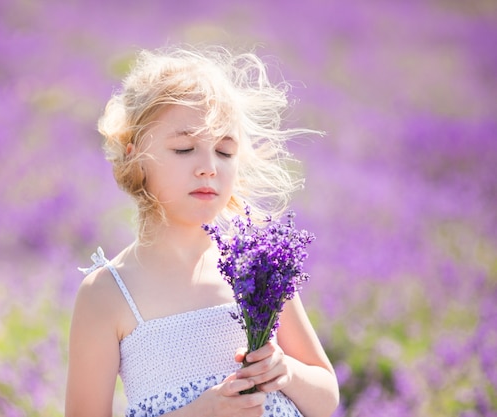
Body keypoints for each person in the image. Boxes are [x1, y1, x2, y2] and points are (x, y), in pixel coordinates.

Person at [65, 45, 339, 417]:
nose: (209, 167)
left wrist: (286, 372)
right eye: (184, 148)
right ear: (135, 156)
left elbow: (326, 398)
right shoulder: (107, 293)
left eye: (224, 152)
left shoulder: (259, 268)